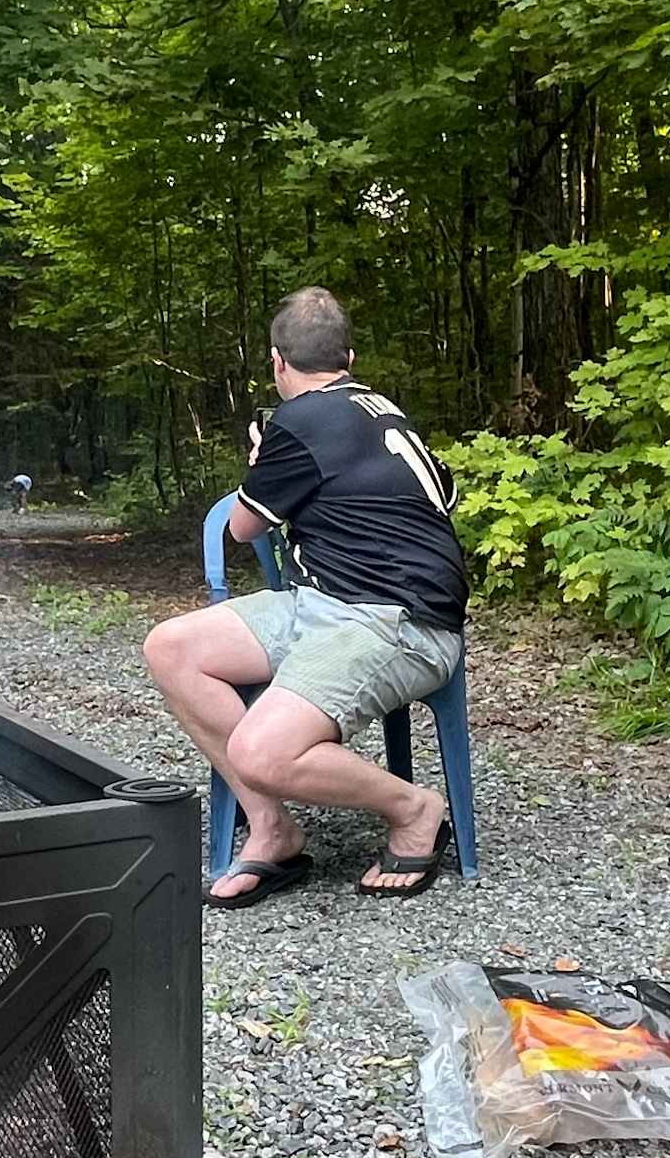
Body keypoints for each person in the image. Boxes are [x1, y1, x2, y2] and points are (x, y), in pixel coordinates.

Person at [140, 288, 465, 902]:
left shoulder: (299, 420)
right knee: (172, 648)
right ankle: (273, 828)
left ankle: (416, 808)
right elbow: (441, 498)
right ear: (349, 357)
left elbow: (242, 528)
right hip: (323, 601)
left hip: (396, 620)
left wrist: (264, 462)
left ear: (277, 361)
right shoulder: (386, 411)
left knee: (259, 752)